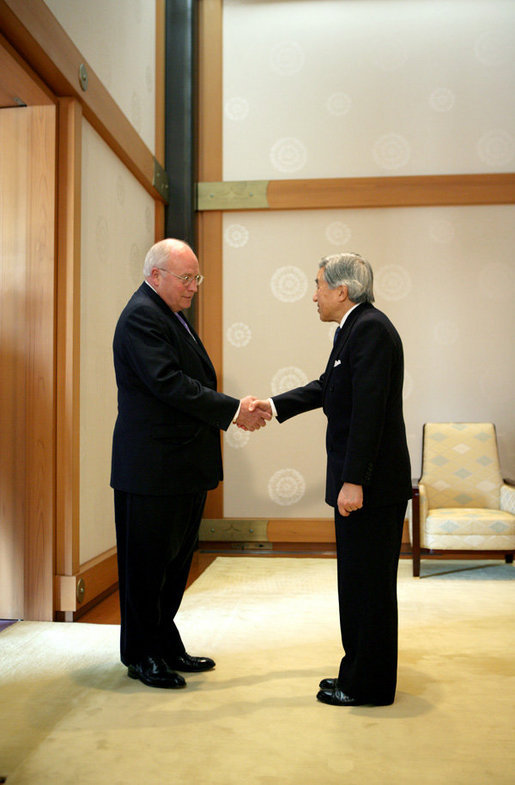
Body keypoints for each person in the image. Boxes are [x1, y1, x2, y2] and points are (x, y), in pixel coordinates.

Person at [251, 252, 412, 706]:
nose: (314, 294)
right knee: (357, 582)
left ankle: (369, 686)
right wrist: (274, 404)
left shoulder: (372, 330)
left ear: (342, 291)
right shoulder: (353, 329)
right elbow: (328, 387)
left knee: (369, 586)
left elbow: (369, 413)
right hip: (362, 479)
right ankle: (356, 670)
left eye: (319, 284)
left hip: (371, 485)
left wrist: (354, 480)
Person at [111, 238, 270, 689]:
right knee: (147, 565)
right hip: (152, 468)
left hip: (180, 466)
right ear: (155, 276)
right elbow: (169, 384)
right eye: (186, 278)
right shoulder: (142, 315)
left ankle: (164, 642)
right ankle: (141, 654)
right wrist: (233, 409)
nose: (194, 286)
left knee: (175, 562)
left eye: (196, 278)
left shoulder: (171, 315)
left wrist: (231, 408)